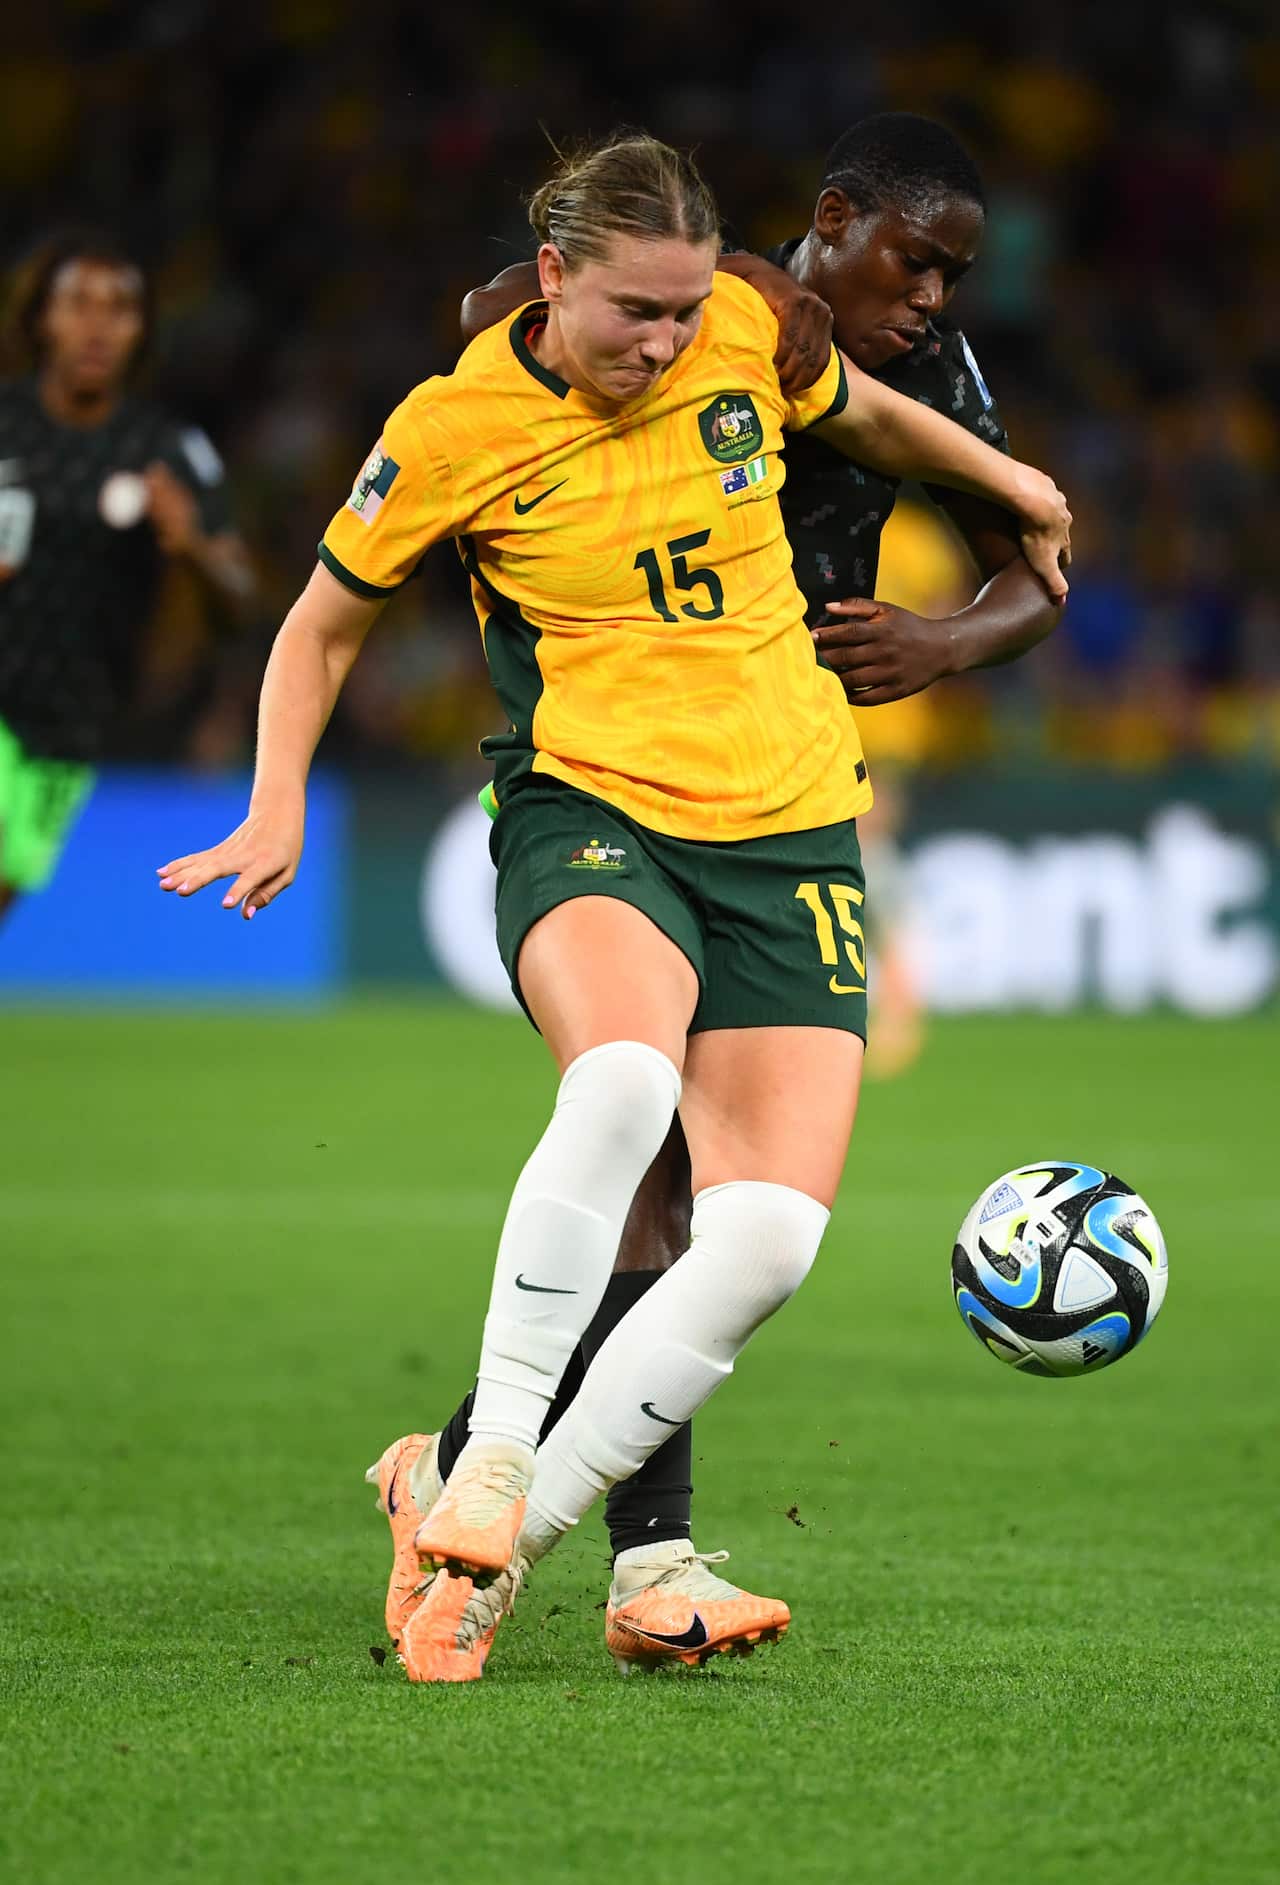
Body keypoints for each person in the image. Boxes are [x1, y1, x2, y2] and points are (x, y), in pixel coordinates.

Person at [159, 131, 1070, 1685]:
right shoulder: (456, 425)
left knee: (764, 1239)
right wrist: (276, 798)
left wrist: (1017, 486)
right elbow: (319, 627)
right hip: (594, 804)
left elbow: (874, 418)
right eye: (633, 312)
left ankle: (494, 1536)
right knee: (629, 1087)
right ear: (561, 276)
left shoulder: (750, 328)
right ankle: (513, 1470)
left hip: (791, 812)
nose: (662, 344)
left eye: (682, 313)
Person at [424, 114, 1064, 1670]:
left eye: (956, 277)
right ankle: (640, 1558)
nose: (934, 302)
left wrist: (942, 646)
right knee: (655, 1160)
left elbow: (1037, 568)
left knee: (732, 1217)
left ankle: (459, 1468)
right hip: (623, 775)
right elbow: (494, 317)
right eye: (916, 263)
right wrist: (702, 301)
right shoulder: (703, 311)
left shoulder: (940, 388)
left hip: (779, 792)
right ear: (834, 221)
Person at [0, 231, 255, 924]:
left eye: (120, 307)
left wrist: (193, 544)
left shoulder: (166, 449)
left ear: (142, 328)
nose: (97, 325)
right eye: (78, 303)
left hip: (67, 727)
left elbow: (239, 598)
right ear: (40, 319)